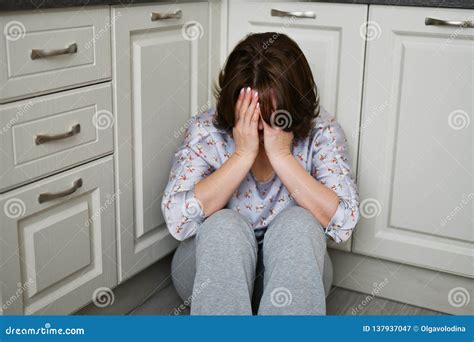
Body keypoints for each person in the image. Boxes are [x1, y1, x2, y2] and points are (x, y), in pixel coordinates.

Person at [161, 32, 360, 315]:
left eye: (271, 117)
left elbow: (344, 224)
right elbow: (178, 222)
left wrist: (282, 156)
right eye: (249, 116)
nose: (260, 128)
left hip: (292, 281)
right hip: (212, 276)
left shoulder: (322, 132)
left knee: (299, 224)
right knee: (223, 225)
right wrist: (242, 155)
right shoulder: (207, 130)